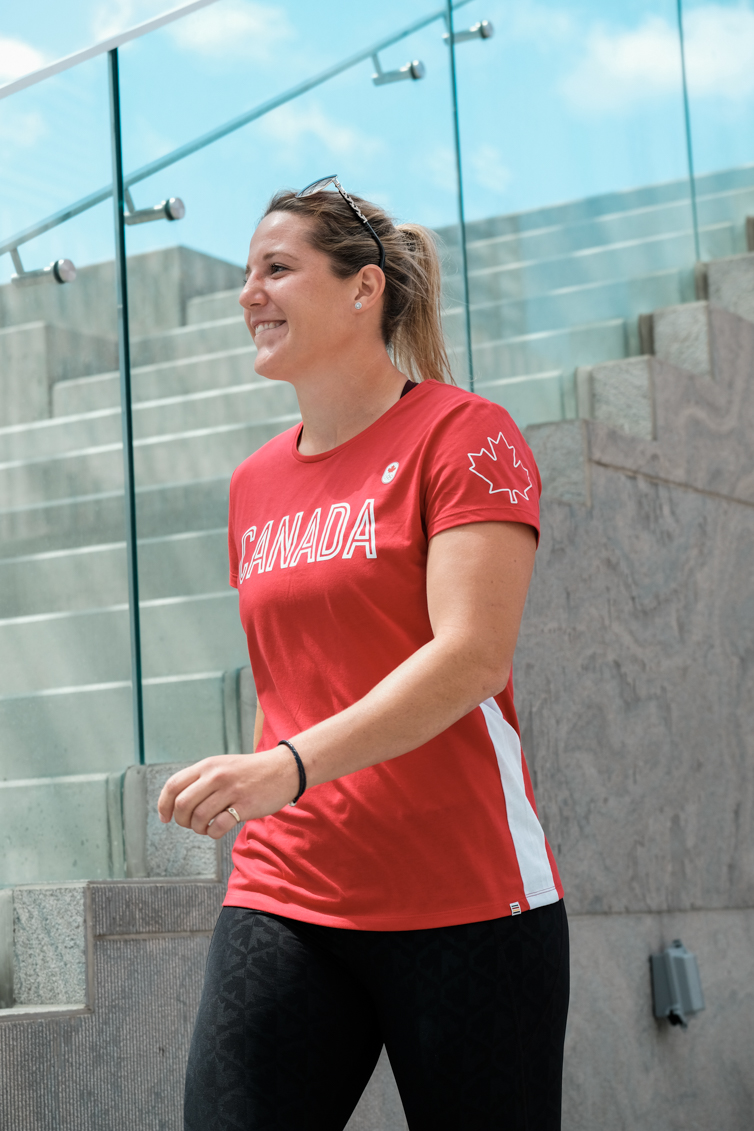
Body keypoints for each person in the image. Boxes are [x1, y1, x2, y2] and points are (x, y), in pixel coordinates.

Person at [158, 176, 569, 1131]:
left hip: (467, 900)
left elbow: (470, 657)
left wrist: (288, 766)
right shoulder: (254, 481)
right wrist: (270, 779)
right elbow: (292, 675)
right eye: (245, 273)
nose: (249, 293)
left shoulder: (465, 436)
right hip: (287, 888)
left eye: (276, 268)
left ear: (362, 288)